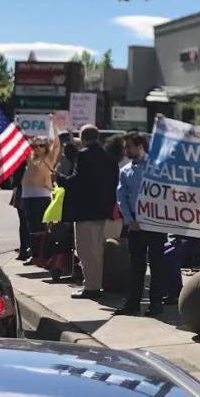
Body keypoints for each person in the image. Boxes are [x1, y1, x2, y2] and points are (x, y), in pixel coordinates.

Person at [58, 125, 120, 300]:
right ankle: (98, 283)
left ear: (83, 137)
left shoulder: (84, 156)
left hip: (86, 211)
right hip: (105, 211)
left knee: (86, 251)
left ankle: (92, 287)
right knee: (99, 251)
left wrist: (60, 179)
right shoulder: (109, 157)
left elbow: (78, 182)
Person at [116, 132, 165, 316]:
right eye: (125, 147)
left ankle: (156, 304)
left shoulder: (156, 168)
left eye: (129, 146)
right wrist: (129, 220)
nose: (126, 150)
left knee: (157, 265)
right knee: (136, 266)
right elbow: (121, 198)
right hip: (136, 225)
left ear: (140, 146)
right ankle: (132, 304)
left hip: (155, 224)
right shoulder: (125, 171)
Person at [20, 129, 61, 264]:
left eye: (41, 146)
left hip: (41, 195)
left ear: (46, 147)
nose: (37, 148)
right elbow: (23, 144)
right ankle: (35, 254)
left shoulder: (49, 159)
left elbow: (56, 146)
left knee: (41, 227)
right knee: (30, 227)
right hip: (27, 195)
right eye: (35, 146)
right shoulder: (30, 157)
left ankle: (43, 255)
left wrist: (53, 127)